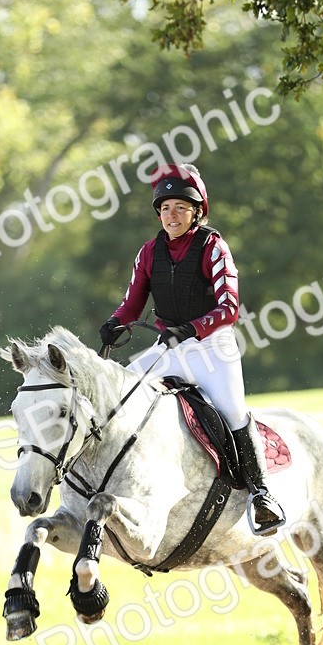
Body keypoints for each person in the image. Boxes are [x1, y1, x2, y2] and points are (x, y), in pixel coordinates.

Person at [99, 163, 285, 535]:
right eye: (165, 208)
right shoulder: (149, 252)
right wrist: (114, 323)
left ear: (197, 211)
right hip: (168, 346)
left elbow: (229, 308)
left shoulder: (213, 246)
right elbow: (132, 305)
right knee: (121, 398)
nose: (172, 215)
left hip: (213, 348)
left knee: (232, 412)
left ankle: (262, 495)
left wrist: (190, 329)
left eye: (180, 208)